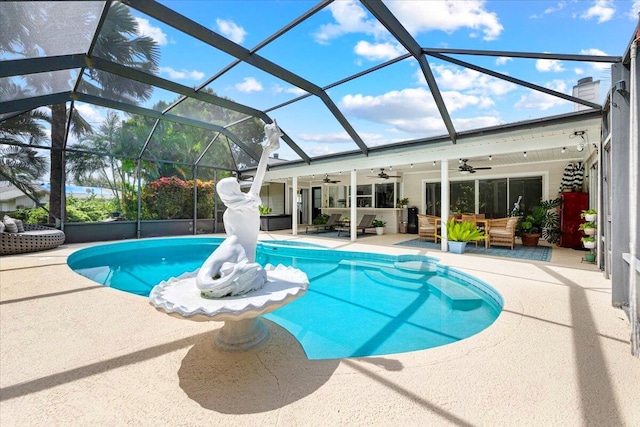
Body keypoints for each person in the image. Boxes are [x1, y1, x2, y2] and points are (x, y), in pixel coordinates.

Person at [196, 121, 282, 298]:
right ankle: (230, 274)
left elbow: (230, 233)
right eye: (236, 186)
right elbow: (260, 175)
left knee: (207, 276)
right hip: (241, 248)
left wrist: (267, 150)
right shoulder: (250, 201)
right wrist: (266, 151)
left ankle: (229, 274)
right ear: (233, 191)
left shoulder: (232, 211)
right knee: (212, 278)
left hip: (233, 245)